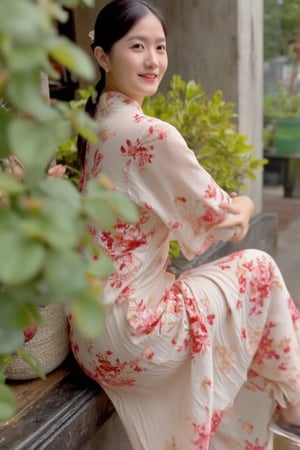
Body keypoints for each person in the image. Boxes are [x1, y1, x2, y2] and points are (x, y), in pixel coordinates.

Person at [67, 1, 300, 448]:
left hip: (91, 335)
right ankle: (291, 406)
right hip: (134, 333)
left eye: (160, 46)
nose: (153, 60)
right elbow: (225, 222)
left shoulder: (98, 123)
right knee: (260, 270)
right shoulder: (147, 133)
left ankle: (287, 404)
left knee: (231, 301)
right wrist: (248, 202)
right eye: (137, 46)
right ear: (102, 56)